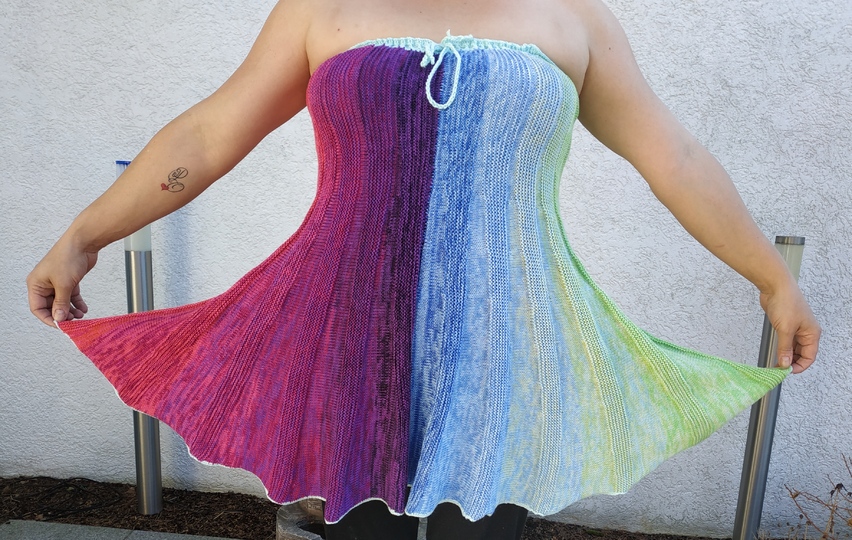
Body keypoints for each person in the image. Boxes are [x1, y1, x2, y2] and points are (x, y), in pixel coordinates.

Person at [26, 0, 821, 539]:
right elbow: (207, 135)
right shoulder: (321, 8)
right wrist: (86, 234)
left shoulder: (571, 15)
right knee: (363, 529)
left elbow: (675, 158)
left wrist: (771, 278)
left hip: (503, 343)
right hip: (351, 335)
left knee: (482, 530)